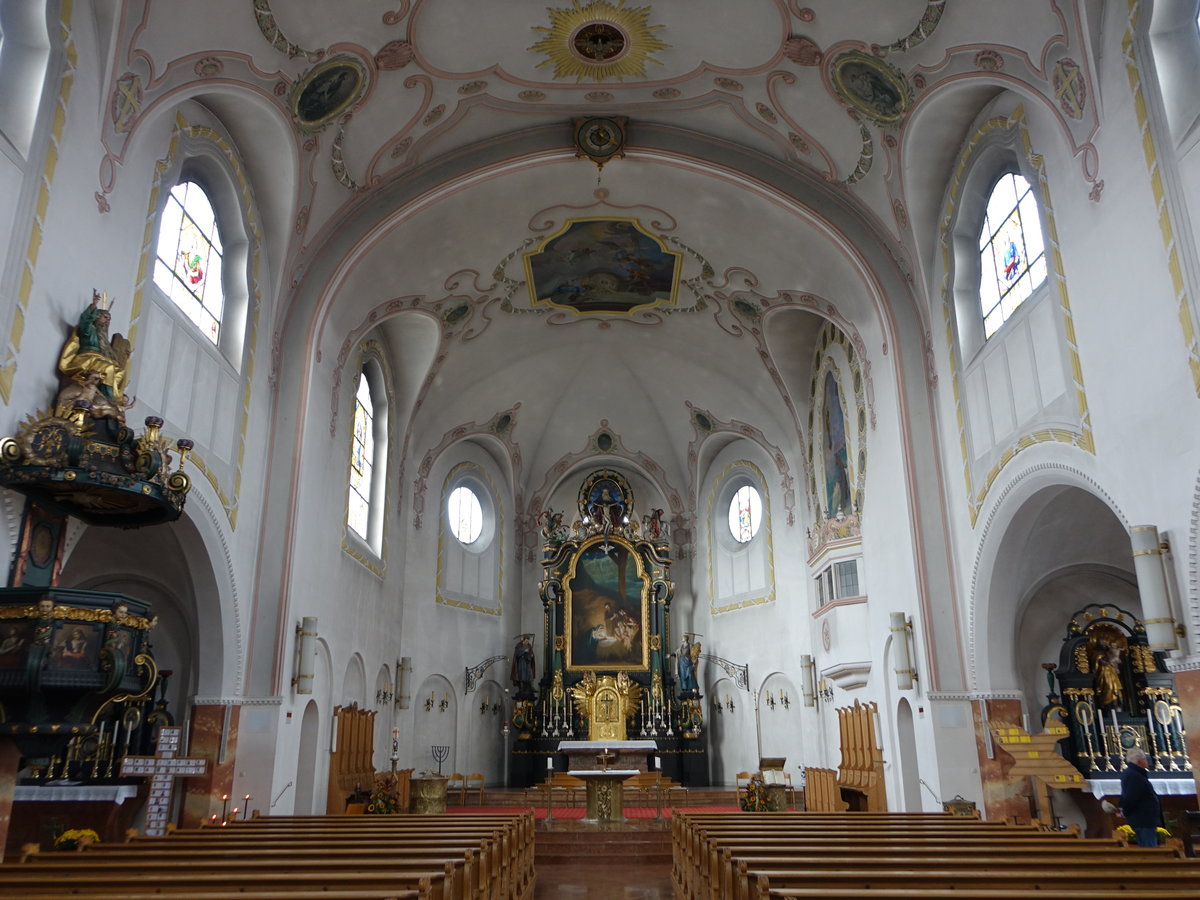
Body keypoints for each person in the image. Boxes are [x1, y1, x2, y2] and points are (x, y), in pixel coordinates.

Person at [1119, 746, 1162, 847]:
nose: (1147, 761)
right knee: (1149, 851)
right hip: (1143, 820)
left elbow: (1127, 795)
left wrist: (1122, 808)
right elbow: (1131, 797)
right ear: (1139, 762)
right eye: (1145, 759)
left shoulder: (1134, 773)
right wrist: (1124, 810)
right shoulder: (1134, 775)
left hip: (1143, 820)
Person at [1093, 642, 1124, 709]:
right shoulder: (1098, 654)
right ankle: (1107, 704)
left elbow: (1118, 662)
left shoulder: (1109, 654)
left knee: (1115, 689)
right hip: (1104, 674)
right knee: (1109, 687)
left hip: (1112, 674)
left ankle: (1116, 705)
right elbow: (1096, 666)